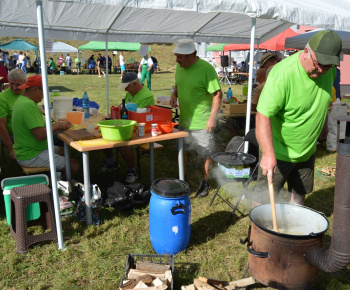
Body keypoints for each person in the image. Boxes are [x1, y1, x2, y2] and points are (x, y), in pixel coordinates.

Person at [255, 30, 342, 206]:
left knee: (299, 195)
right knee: (264, 200)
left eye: (327, 66)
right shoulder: (283, 73)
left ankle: (293, 231)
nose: (322, 70)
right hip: (278, 151)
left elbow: (322, 104)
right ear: (306, 51)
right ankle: (257, 233)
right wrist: (268, 154)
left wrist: (323, 129)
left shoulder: (329, 71)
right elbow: (263, 114)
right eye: (319, 64)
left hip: (307, 152)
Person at [170, 39, 222, 198]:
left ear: (191, 55)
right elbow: (178, 84)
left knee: (205, 153)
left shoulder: (206, 69)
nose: (177, 60)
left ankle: (205, 181)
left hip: (202, 121)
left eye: (180, 57)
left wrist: (212, 118)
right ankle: (182, 178)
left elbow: (217, 94)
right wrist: (174, 94)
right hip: (185, 119)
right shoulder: (180, 67)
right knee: (182, 150)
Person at [12, 75, 80, 179]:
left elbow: (38, 127)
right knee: (74, 165)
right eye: (44, 91)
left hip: (27, 150)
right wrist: (57, 125)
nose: (44, 96)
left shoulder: (22, 100)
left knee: (63, 150)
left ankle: (54, 175)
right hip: (31, 155)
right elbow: (40, 135)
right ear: (35, 89)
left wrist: (57, 124)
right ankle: (59, 188)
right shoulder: (28, 105)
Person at [100, 72, 155, 183]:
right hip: (126, 123)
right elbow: (123, 105)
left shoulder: (147, 96)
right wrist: (116, 110)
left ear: (135, 84)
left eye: (127, 87)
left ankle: (132, 170)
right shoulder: (131, 92)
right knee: (104, 131)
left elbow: (138, 117)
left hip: (139, 128)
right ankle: (110, 162)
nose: (125, 90)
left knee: (120, 141)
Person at [0, 69, 22, 161]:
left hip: (30, 131)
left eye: (18, 85)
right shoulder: (3, 98)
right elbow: (1, 126)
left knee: (56, 137)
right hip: (13, 135)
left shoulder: (28, 92)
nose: (14, 87)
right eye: (12, 84)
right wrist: (11, 149)